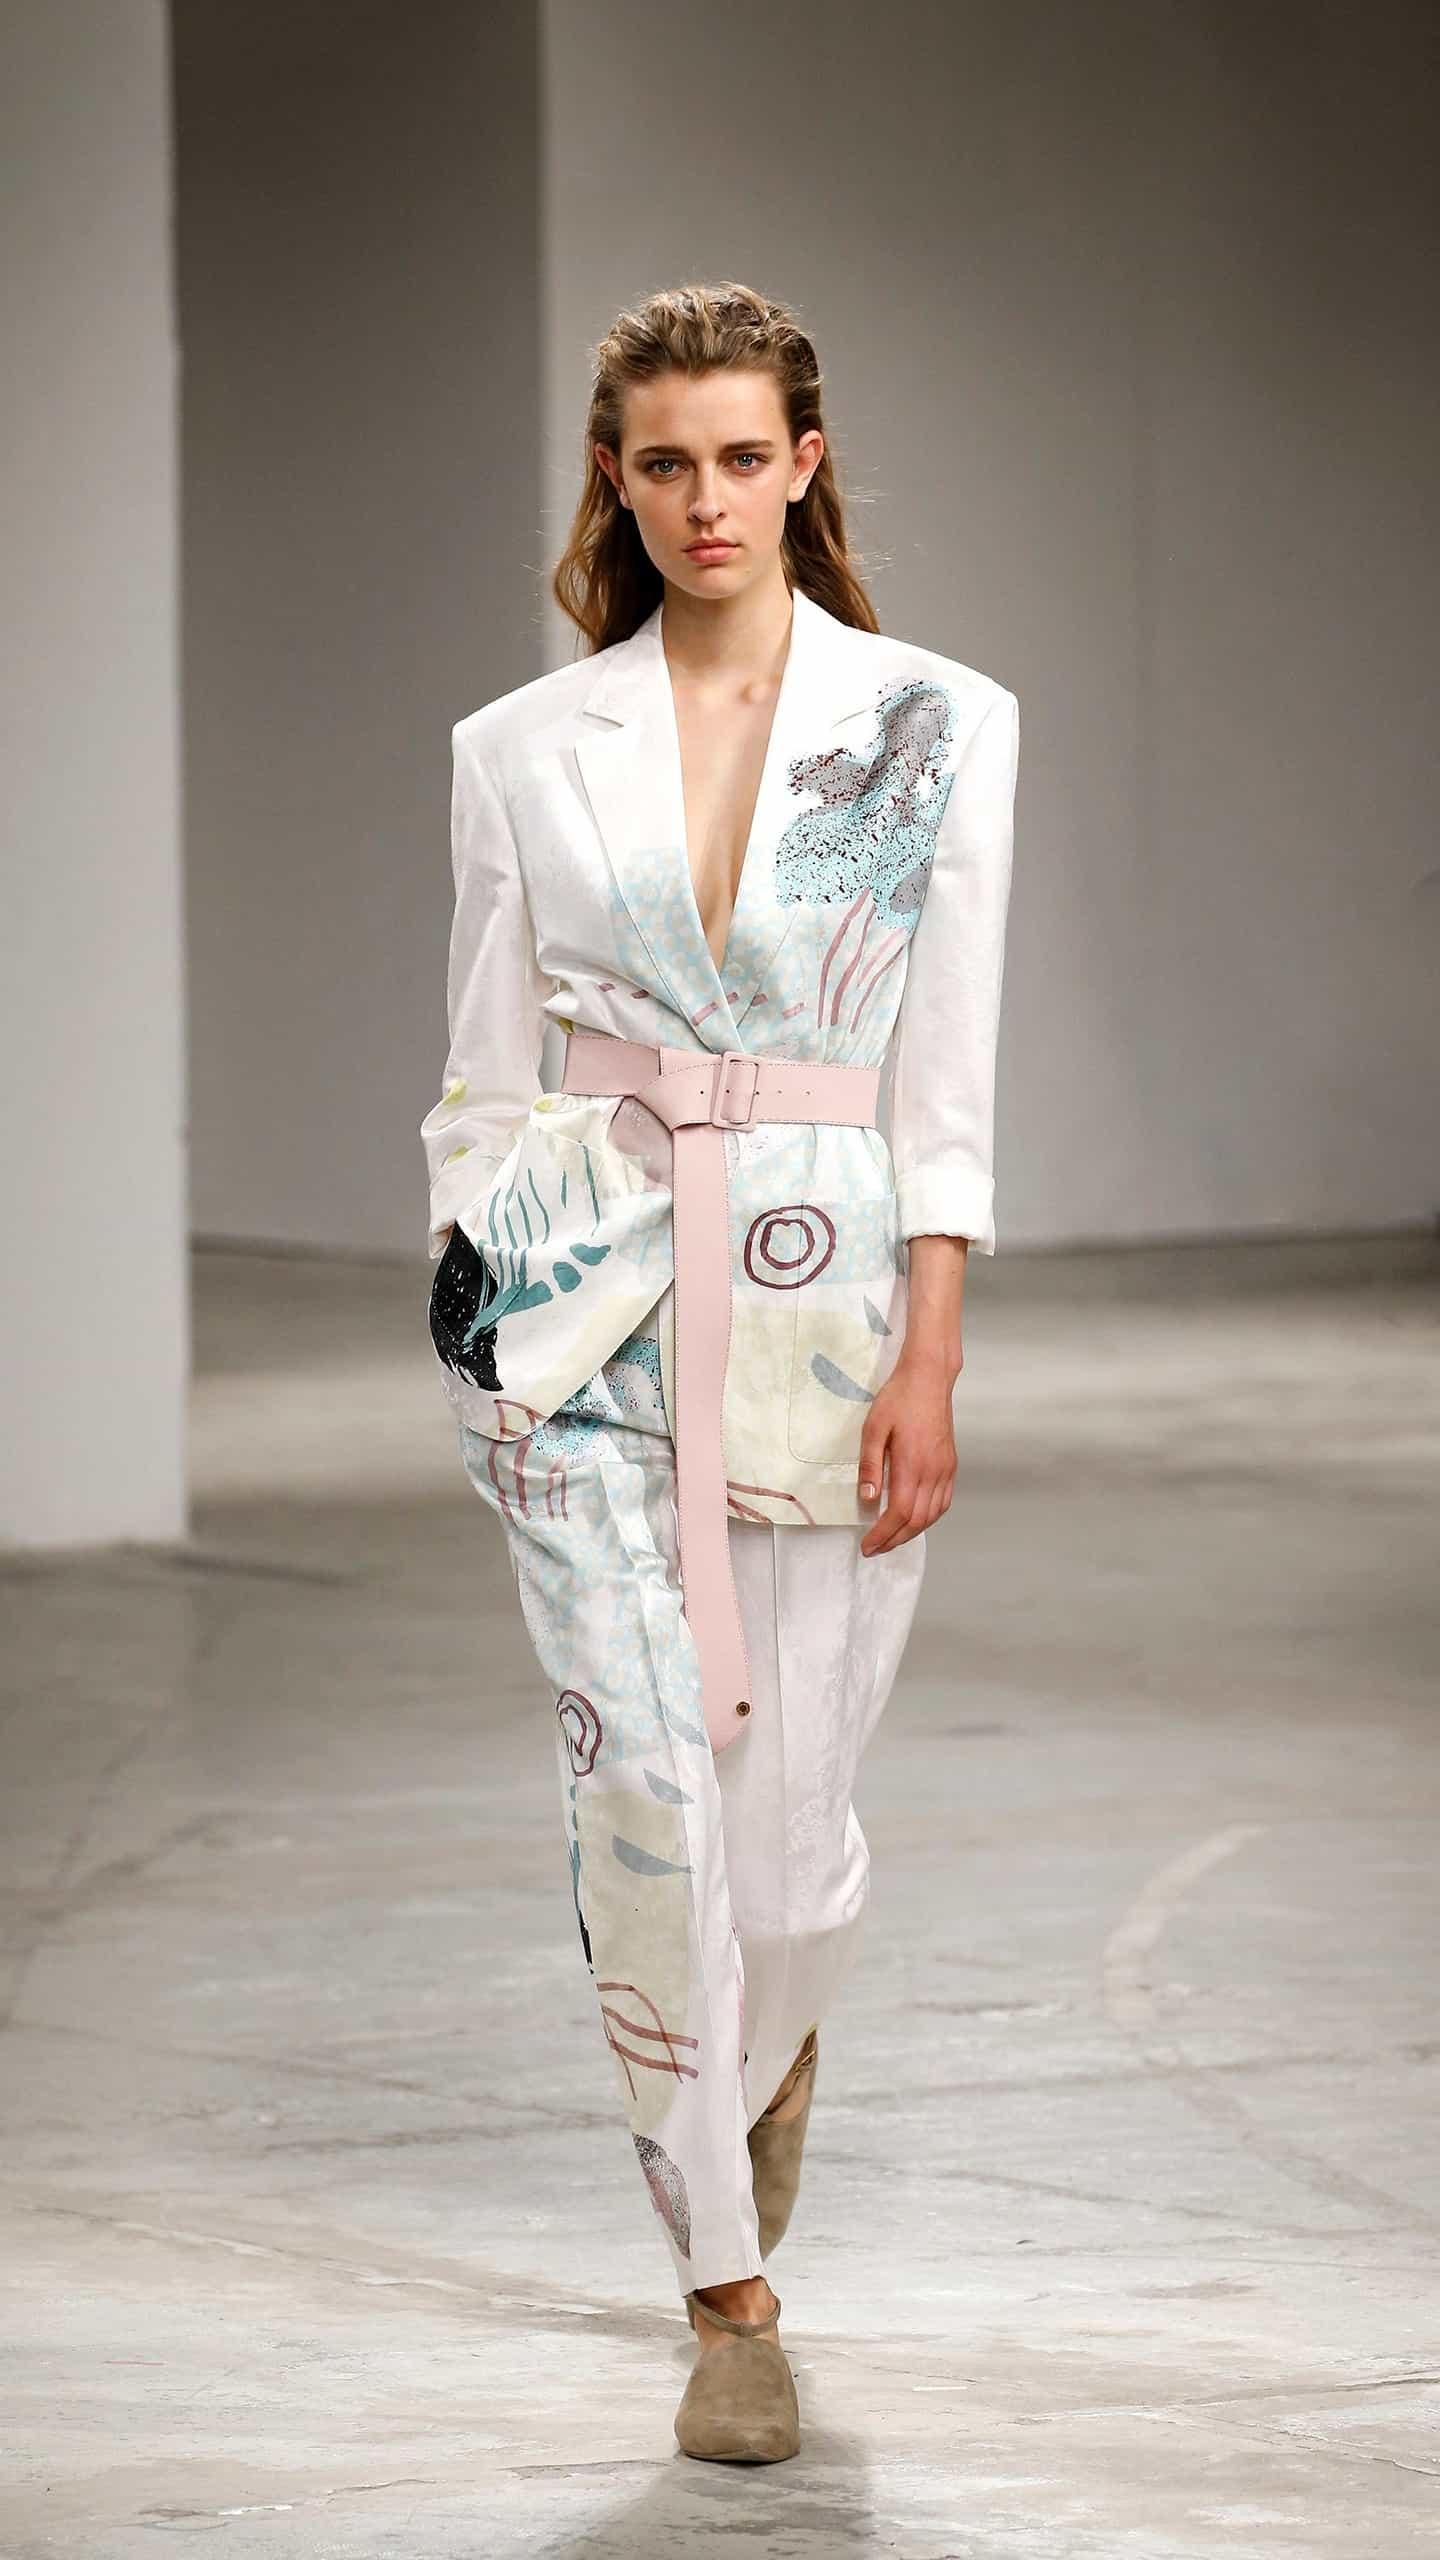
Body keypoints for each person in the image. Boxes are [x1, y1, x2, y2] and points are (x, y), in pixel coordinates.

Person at [419, 279, 1019, 2464]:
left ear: (804, 464)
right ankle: (725, 2292)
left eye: (742, 457)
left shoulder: (931, 726)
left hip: (827, 1310)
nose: (705, 499)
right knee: (646, 1805)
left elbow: (942, 1076)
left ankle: (769, 2054)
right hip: (577, 1311)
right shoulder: (518, 746)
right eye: (663, 462)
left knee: (788, 1852)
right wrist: (481, 1314)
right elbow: (483, 1071)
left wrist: (932, 1352)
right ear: (616, 477)